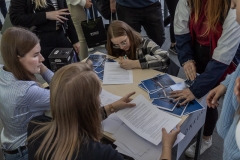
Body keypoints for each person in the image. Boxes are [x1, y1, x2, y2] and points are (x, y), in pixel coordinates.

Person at [27, 62, 180, 160]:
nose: (100, 100)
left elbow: (73, 118)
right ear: (90, 105)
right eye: (97, 96)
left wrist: (111, 108)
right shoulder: (101, 154)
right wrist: (167, 146)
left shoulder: (35, 127)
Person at [171, 0, 240, 158]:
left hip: (221, 56)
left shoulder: (231, 7)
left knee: (208, 98)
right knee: (198, 91)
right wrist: (187, 58)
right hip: (198, 48)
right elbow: (181, 29)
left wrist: (195, 90)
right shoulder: (189, 1)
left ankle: (206, 138)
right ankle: (196, 128)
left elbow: (223, 55)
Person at [0, 27, 53, 160]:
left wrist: (37, 62)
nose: (42, 58)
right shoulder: (28, 91)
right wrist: (43, 69)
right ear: (18, 59)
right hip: (26, 151)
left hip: (9, 145)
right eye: (35, 55)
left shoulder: (2, 70)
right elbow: (65, 92)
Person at [9, 0, 80, 69]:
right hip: (41, 40)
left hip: (61, 35)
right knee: (54, 76)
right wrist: (46, 15)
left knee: (76, 68)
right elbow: (16, 18)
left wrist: (75, 40)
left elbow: (66, 14)